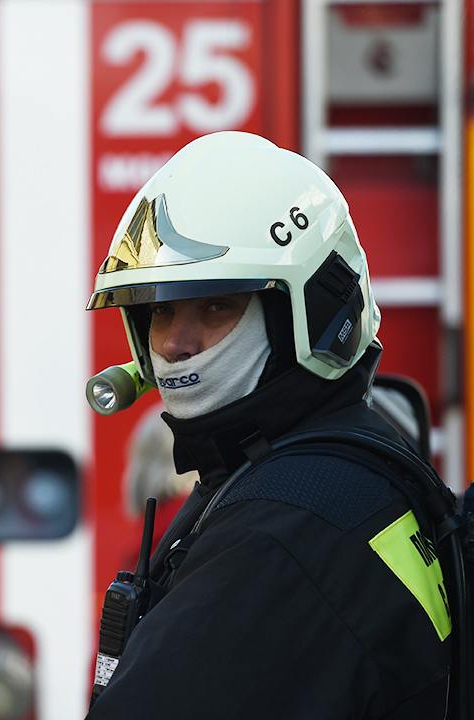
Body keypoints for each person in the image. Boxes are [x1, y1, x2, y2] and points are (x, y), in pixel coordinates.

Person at [85, 132, 452, 719]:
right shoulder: (351, 466)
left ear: (308, 311)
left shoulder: (278, 536)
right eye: (160, 311)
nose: (176, 345)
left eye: (216, 306)